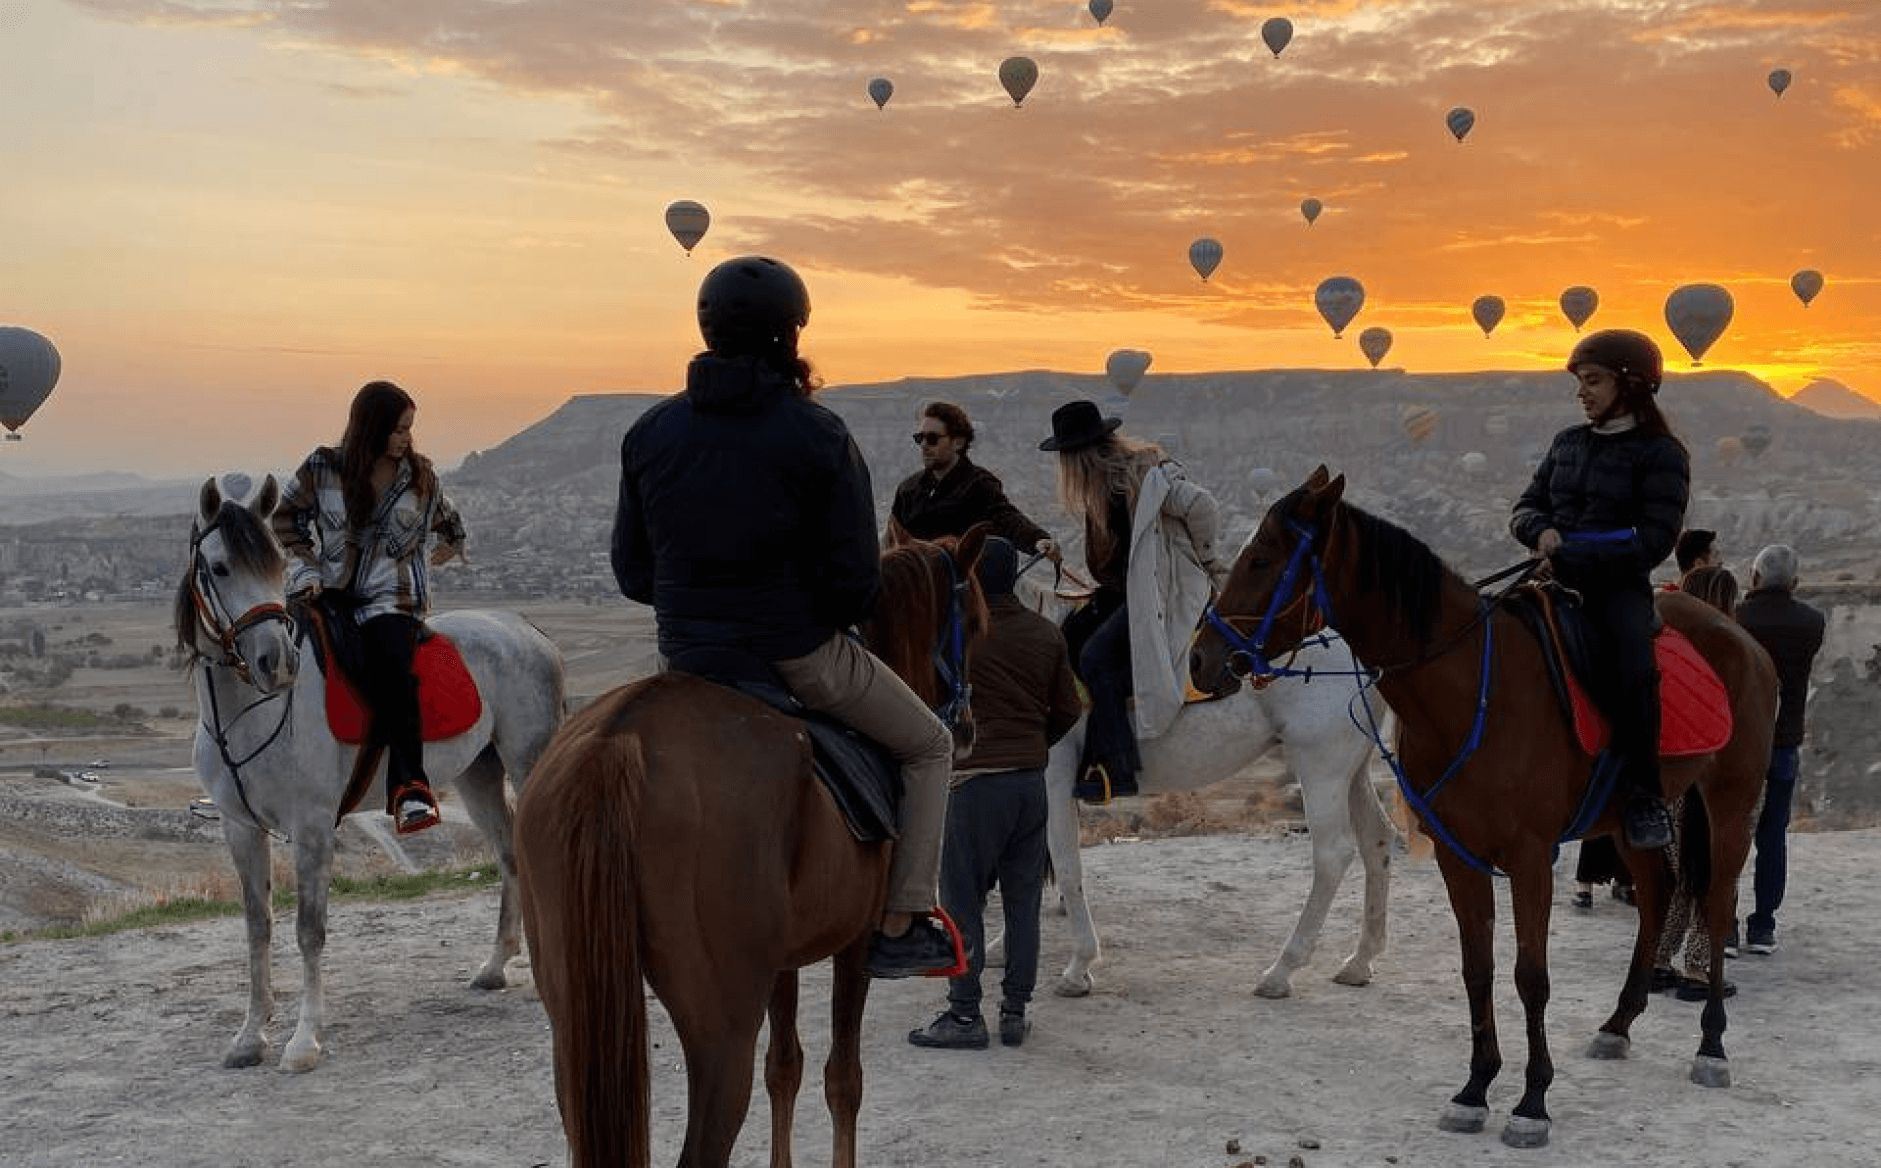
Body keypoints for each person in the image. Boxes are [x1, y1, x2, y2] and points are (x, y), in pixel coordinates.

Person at [610, 254, 956, 978]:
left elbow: (633, 573)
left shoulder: (649, 433)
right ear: (789, 334)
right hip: (794, 654)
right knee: (929, 746)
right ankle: (902, 919)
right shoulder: (818, 434)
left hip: (689, 659)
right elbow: (855, 585)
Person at [1512, 329, 1690, 851]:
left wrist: (1575, 551)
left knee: (1635, 670)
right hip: (1549, 580)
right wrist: (1538, 532)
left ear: (1630, 385)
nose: (1582, 393)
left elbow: (1654, 539)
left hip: (1616, 591)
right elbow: (1526, 506)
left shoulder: (1661, 454)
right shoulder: (1567, 443)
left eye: (1593, 381)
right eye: (1579, 384)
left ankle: (1645, 796)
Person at [908, 537, 1083, 1051]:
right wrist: (1030, 745)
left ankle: (964, 1016)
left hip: (972, 784)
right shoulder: (1046, 633)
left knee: (961, 900)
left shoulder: (956, 635)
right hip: (1029, 786)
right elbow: (1068, 711)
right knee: (1022, 902)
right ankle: (1013, 1012)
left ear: (973, 578)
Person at [272, 381, 467, 834]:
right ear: (372, 427)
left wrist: (448, 546)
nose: (406, 438)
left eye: (409, 430)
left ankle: (412, 787)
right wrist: (308, 569)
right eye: (398, 430)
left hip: (393, 599)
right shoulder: (322, 468)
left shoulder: (420, 476)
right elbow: (286, 519)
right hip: (332, 593)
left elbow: (450, 523)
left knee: (394, 675)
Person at [1040, 400, 1231, 803]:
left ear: (1079, 455)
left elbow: (1202, 506)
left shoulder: (1143, 476)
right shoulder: (1102, 490)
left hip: (1158, 593)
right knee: (1066, 637)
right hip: (1121, 592)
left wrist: (1206, 560)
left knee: (1094, 658)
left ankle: (1115, 765)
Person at [1731, 544, 1827, 956]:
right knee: (1773, 836)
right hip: (1783, 743)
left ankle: (1724, 926)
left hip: (1736, 745)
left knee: (1728, 831)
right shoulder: (1811, 623)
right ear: (1794, 583)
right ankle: (1764, 926)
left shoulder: (1734, 618)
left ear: (1753, 578)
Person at [1654, 564, 1738, 998]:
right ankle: (1698, 968)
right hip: (1719, 778)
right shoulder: (1734, 653)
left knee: (1680, 875)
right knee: (1716, 873)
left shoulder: (1669, 650)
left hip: (1671, 777)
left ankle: (1658, 959)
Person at [892, 402, 1058, 563]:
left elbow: (1006, 518)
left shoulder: (979, 485)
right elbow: (893, 538)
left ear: (958, 442)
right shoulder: (908, 489)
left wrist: (1037, 539)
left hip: (962, 584)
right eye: (919, 438)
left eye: (932, 438)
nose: (923, 445)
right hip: (915, 584)